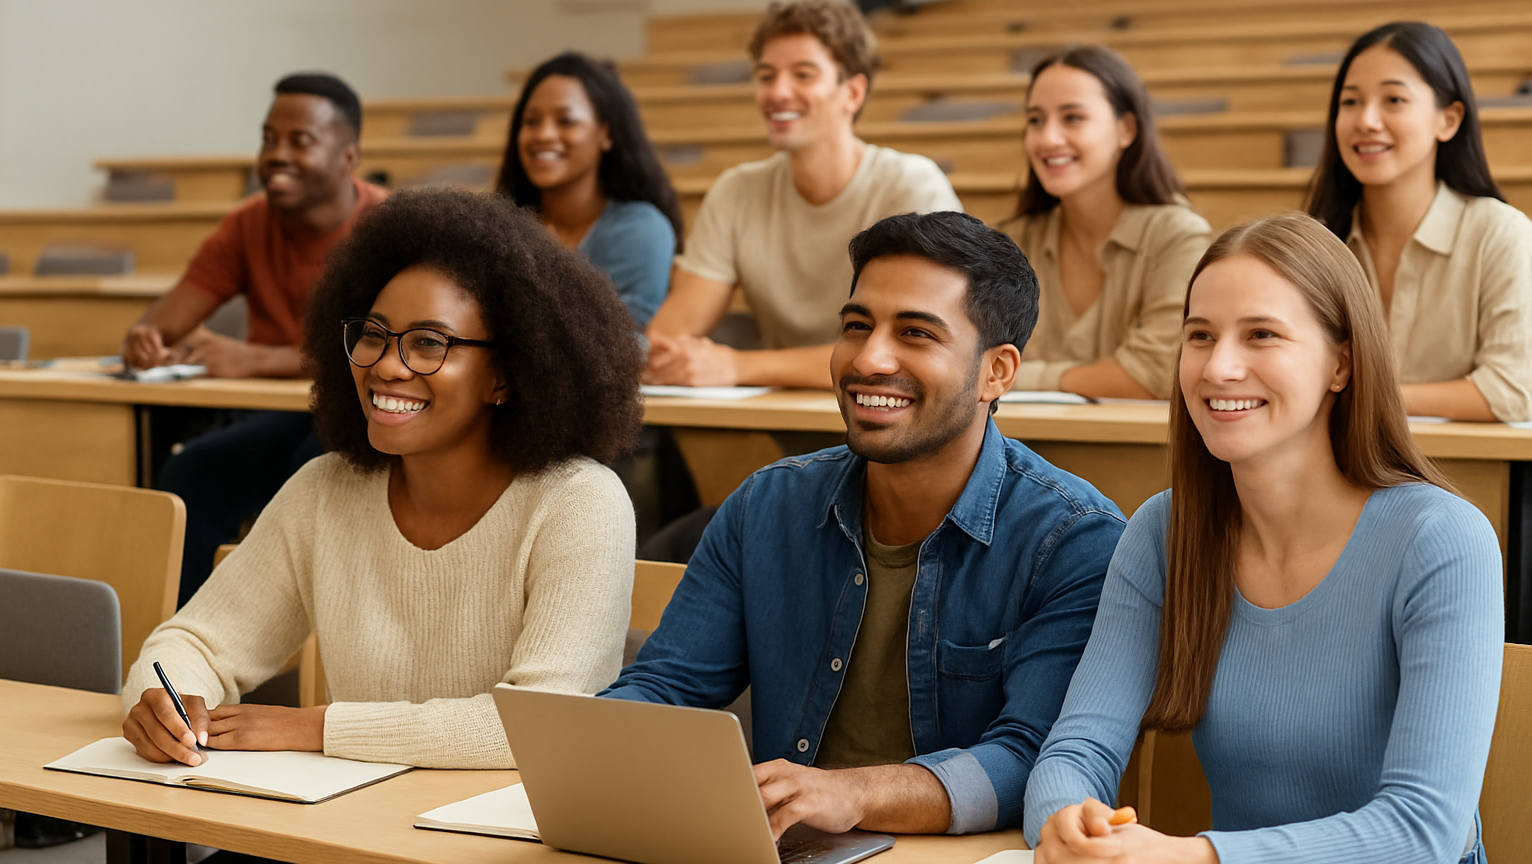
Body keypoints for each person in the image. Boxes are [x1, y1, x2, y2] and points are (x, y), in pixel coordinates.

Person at [605, 211, 1126, 839]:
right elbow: (667, 688)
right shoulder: (766, 505)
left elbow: (1032, 758)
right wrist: (595, 754)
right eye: (857, 326)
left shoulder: (1074, 538)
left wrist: (853, 792)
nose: (871, 359)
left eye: (915, 334)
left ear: (998, 372)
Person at [1025, 213, 1502, 864]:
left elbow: (1425, 832)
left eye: (1261, 335)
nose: (1220, 367)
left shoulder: (1443, 540)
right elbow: (1077, 751)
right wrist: (1067, 824)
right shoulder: (1164, 531)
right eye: (1200, 335)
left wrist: (1195, 857)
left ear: (1342, 363)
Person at [120, 188, 644, 770]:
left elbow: (541, 721)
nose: (386, 365)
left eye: (429, 343)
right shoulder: (324, 489)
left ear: (506, 375)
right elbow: (193, 643)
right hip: (340, 825)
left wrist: (317, 727)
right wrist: (161, 703)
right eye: (373, 334)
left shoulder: (580, 503)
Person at [120, 73, 390, 606]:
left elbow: (387, 348)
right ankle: (182, 648)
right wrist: (144, 338)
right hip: (277, 414)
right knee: (188, 471)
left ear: (348, 158)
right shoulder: (248, 224)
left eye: (299, 141)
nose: (276, 155)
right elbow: (165, 318)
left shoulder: (389, 227)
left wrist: (254, 359)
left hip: (365, 415)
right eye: (269, 140)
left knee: (312, 471)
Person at [643, 0, 962, 389]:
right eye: (766, 76)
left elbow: (911, 349)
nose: (778, 92)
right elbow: (667, 337)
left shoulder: (912, 187)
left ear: (853, 93)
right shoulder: (735, 192)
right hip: (784, 411)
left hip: (892, 409)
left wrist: (740, 367)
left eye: (803, 75)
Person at [1305, 21, 1532, 422]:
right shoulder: (1315, 242)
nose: (1367, 121)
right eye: (1351, 102)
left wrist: (1368, 395)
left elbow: (1512, 391)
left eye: (1393, 100)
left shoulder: (1500, 234)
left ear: (1448, 120)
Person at [1001, 46, 1211, 400]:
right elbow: (970, 364)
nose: (1048, 138)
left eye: (1072, 118)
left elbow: (1157, 374)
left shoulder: (1178, 237)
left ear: (1126, 129)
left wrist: (1018, 376)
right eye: (1035, 120)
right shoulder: (1012, 242)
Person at [496, 51, 682, 328]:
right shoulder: (503, 228)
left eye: (565, 120)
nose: (543, 134)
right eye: (531, 121)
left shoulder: (640, 231)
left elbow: (624, 345)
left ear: (605, 133)